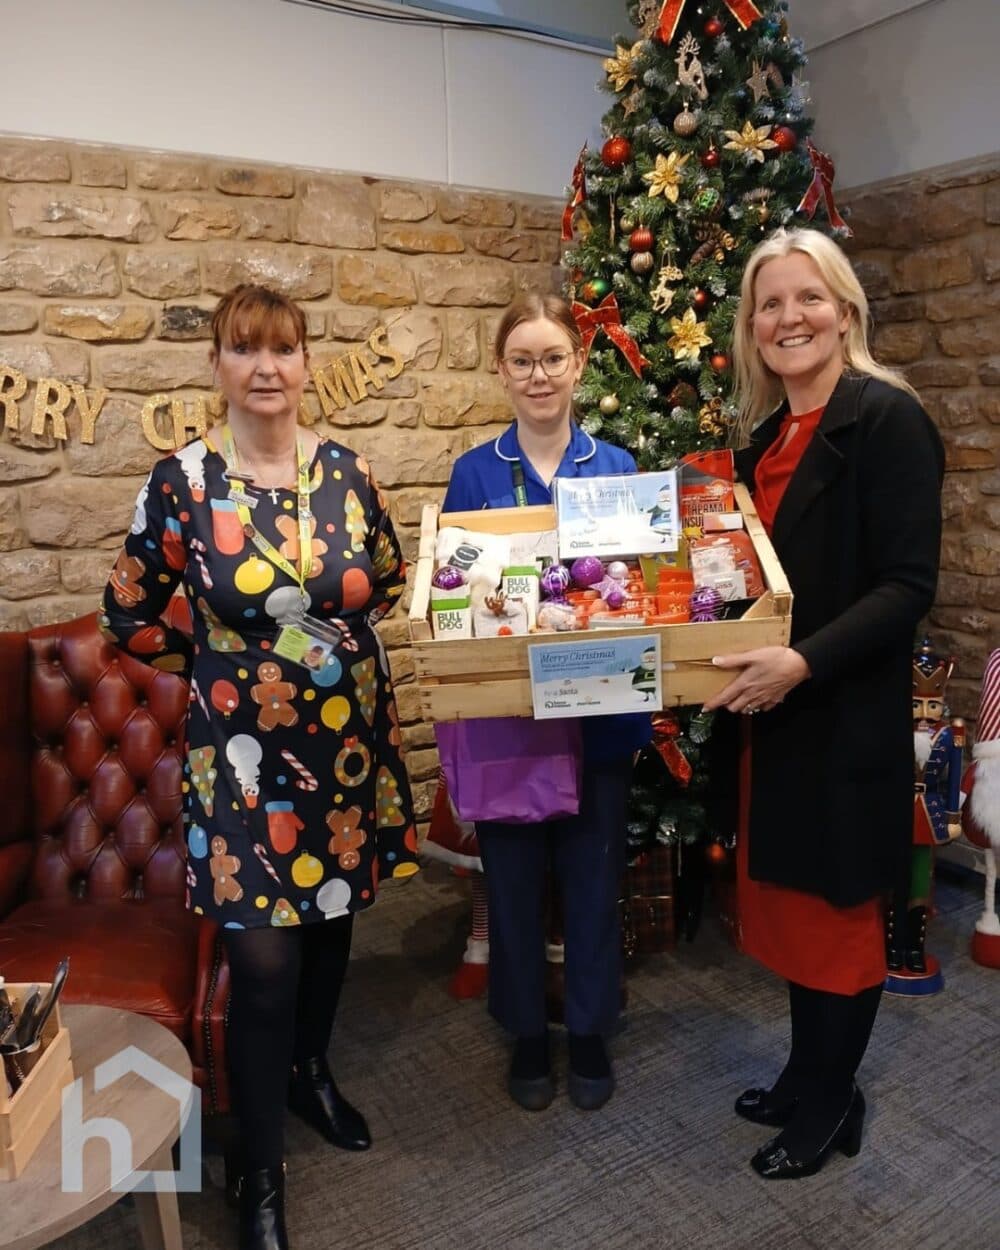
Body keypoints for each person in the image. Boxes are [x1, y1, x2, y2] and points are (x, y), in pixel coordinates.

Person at [100, 284, 418, 1250]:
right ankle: (260, 1167)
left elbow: (390, 576)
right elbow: (129, 612)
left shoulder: (350, 474)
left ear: (308, 363)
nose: (266, 368)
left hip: (346, 746)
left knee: (330, 931)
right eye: (246, 350)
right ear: (219, 367)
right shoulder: (183, 483)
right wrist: (212, 667)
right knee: (265, 961)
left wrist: (332, 650)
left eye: (283, 350)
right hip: (240, 765)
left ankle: (310, 1070)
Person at [703, 228, 944, 1180]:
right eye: (770, 304)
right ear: (752, 328)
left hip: (837, 714)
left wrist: (801, 664)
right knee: (793, 912)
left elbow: (906, 585)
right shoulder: (764, 438)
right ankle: (808, 1074)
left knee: (838, 922)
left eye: (808, 299)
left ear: (844, 311)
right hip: (774, 723)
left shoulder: (887, 421)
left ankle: (831, 1106)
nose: (788, 317)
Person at [441, 292, 651, 1112]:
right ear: (502, 371)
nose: (539, 374)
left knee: (595, 886)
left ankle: (593, 1033)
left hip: (600, 716)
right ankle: (528, 1033)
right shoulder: (475, 471)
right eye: (522, 360)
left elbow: (643, 589)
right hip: (510, 723)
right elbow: (453, 594)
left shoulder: (620, 468)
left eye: (553, 357)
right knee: (514, 888)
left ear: (579, 366)